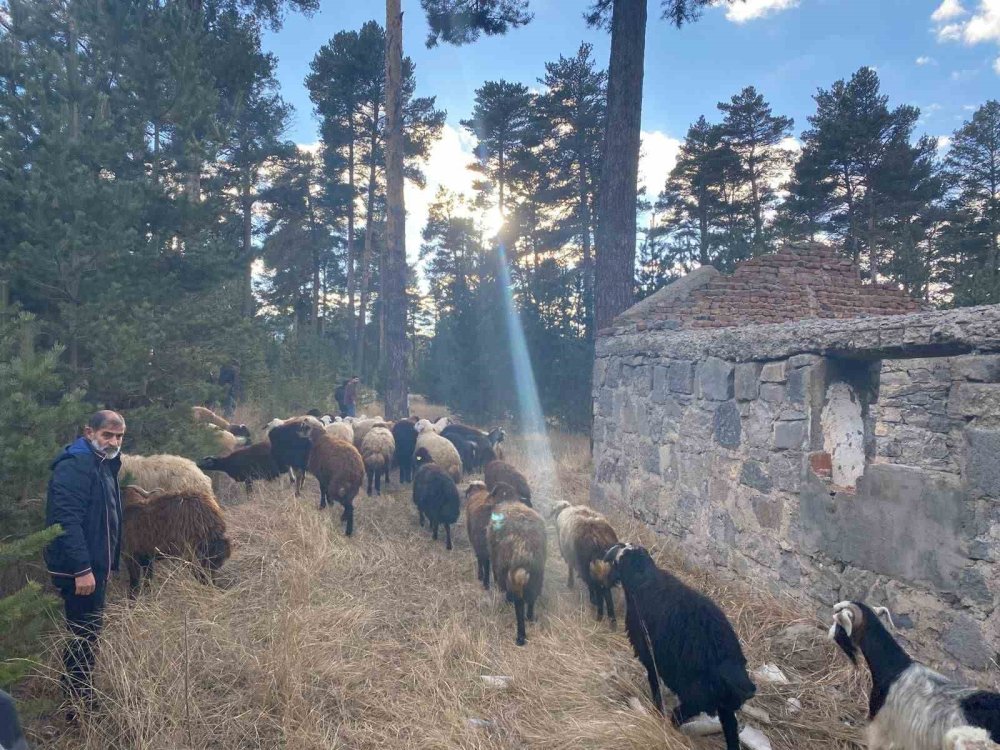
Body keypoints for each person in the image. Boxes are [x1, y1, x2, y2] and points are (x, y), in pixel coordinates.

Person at [43, 410, 125, 721]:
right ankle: (77, 706)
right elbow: (66, 520)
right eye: (107, 435)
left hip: (94, 567)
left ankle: (78, 690)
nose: (113, 442)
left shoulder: (102, 463)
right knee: (82, 634)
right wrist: (82, 569)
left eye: (118, 436)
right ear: (89, 431)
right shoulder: (76, 465)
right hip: (80, 571)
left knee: (88, 632)